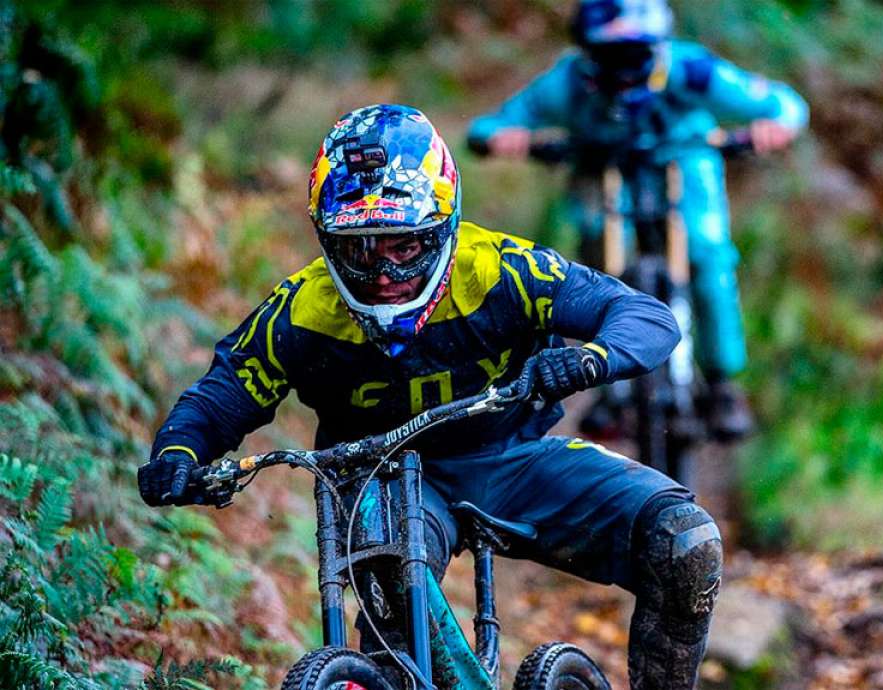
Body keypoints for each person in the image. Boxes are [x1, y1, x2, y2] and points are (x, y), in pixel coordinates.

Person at [138, 104, 722, 690]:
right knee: (390, 594)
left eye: (405, 244)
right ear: (327, 240)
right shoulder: (302, 310)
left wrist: (587, 359)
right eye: (362, 249)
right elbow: (225, 390)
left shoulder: (498, 269)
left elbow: (643, 315)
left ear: (442, 228)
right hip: (378, 480)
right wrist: (178, 455)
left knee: (684, 541)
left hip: (513, 460)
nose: (386, 270)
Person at [468, 0, 808, 440]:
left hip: (684, 165)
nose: (625, 67)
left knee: (707, 256)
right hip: (601, 169)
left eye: (636, 53)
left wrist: (774, 125)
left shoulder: (693, 70)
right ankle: (604, 380)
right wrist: (505, 138)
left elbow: (783, 104)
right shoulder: (569, 82)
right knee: (593, 255)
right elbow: (490, 125)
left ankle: (723, 383)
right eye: (611, 54)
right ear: (589, 50)